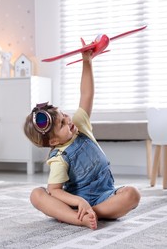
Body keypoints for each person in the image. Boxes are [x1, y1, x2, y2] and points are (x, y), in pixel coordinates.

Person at [23, 50, 141, 230]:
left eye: (63, 115)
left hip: (105, 196)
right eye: (62, 124)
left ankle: (89, 213)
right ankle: (76, 216)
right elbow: (54, 190)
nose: (68, 120)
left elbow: (86, 94)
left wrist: (87, 61)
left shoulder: (80, 125)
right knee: (37, 195)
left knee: (133, 195)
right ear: (53, 141)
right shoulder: (59, 158)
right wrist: (78, 201)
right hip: (74, 200)